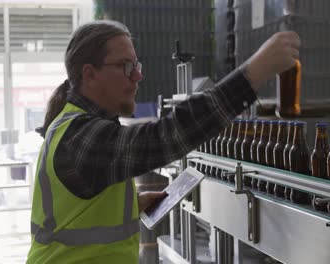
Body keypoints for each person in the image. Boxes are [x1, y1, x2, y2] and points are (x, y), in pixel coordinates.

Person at [27, 20, 300, 263]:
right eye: (126, 66)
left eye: (137, 65)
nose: (138, 76)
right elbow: (162, 138)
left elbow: (74, 217)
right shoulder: (80, 136)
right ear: (89, 74)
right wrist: (254, 73)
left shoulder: (78, 126)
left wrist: (128, 206)